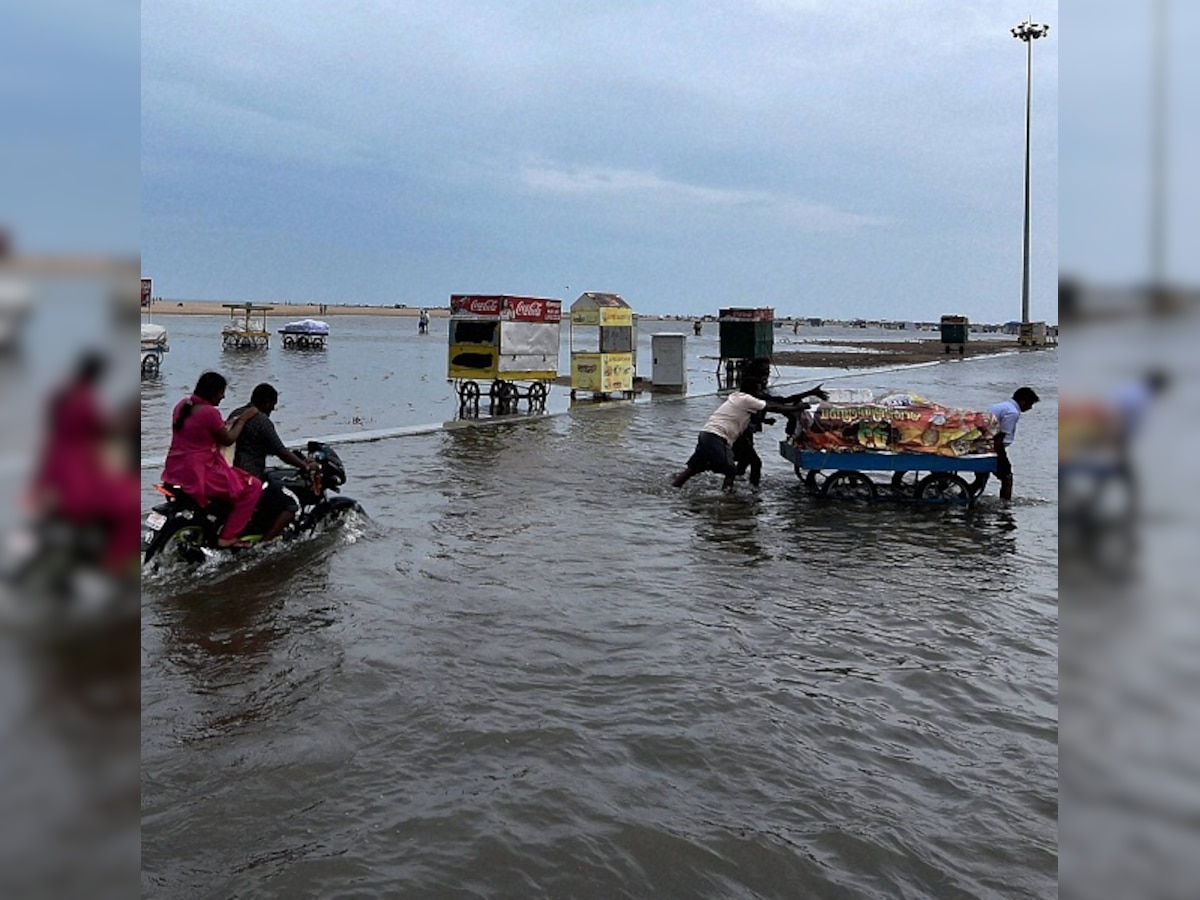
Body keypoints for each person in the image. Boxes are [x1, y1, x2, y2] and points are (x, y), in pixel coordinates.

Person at [30, 351, 141, 573]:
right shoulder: (86, 401)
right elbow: (102, 429)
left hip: (54, 457)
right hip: (78, 464)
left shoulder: (61, 395)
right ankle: (113, 561)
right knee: (129, 505)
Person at [673, 371, 826, 491]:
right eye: (759, 390)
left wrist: (766, 420)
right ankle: (727, 499)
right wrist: (797, 408)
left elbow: (773, 404)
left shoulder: (738, 397)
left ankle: (674, 488)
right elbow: (774, 407)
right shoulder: (747, 399)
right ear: (752, 390)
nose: (762, 393)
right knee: (731, 469)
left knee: (694, 468)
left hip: (707, 434)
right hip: (717, 437)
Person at [161, 372, 262, 549]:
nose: (223, 396)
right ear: (212, 392)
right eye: (221, 392)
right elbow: (228, 439)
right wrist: (243, 419)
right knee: (253, 486)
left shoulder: (181, 406)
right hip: (198, 473)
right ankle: (228, 536)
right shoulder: (209, 413)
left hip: (175, 470)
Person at [226, 383, 318, 543]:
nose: (271, 411)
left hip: (230, 473)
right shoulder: (262, 421)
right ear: (267, 403)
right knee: (290, 505)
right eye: (272, 407)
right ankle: (266, 544)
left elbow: (259, 445)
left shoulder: (237, 413)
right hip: (250, 475)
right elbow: (281, 451)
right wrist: (305, 465)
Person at [731, 359, 827, 486]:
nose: (768, 372)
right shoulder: (754, 391)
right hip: (741, 433)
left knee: (744, 462)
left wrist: (764, 419)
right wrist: (808, 394)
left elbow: (756, 410)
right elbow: (780, 402)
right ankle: (752, 492)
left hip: (743, 431)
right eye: (766, 370)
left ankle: (735, 487)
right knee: (755, 462)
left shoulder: (751, 389)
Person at [989, 386, 1040, 501]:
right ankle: (1005, 505)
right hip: (995, 446)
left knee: (981, 478)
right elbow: (1000, 436)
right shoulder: (1012, 413)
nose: (1030, 408)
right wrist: (998, 456)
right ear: (1023, 401)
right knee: (1007, 477)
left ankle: (964, 496)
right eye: (1030, 404)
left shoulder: (998, 406)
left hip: (984, 443)